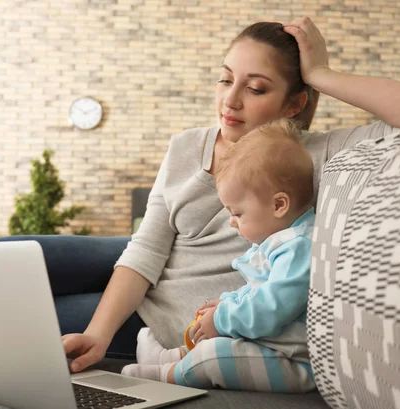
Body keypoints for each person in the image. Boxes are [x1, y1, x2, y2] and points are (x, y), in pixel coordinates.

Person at [0, 17, 400, 367]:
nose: (230, 101)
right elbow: (146, 251)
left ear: (293, 102)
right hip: (143, 262)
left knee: (0, 314)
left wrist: (323, 73)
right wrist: (101, 328)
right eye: (226, 80)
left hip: (165, 319)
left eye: (256, 89)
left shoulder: (318, 152)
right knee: (2, 255)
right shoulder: (185, 147)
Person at [120, 119, 317, 391]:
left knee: (215, 357)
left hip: (291, 361)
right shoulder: (282, 241)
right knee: (216, 338)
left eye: (237, 213)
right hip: (270, 346)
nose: (232, 222)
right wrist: (225, 304)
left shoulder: (299, 247)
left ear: (279, 204)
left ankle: (167, 375)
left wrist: (223, 317)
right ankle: (172, 357)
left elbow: (270, 308)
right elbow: (256, 293)